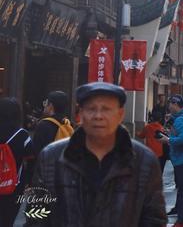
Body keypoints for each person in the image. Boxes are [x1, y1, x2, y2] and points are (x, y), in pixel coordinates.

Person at [26, 82, 166, 226]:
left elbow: (154, 219)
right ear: (80, 113)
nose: (98, 116)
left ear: (120, 114)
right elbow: (36, 215)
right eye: (91, 109)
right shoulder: (51, 157)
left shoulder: (144, 161)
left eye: (106, 109)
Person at [158, 94, 183, 227]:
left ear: (175, 104)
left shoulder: (180, 120)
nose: (169, 106)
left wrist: (168, 140)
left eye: (170, 104)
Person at [0, 97, 34, 227]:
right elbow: (31, 160)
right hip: (14, 187)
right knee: (7, 220)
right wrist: (28, 182)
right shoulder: (22, 135)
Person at [32, 91, 74, 156]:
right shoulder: (68, 124)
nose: (44, 106)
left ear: (51, 106)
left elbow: (36, 153)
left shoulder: (43, 125)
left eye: (45, 103)